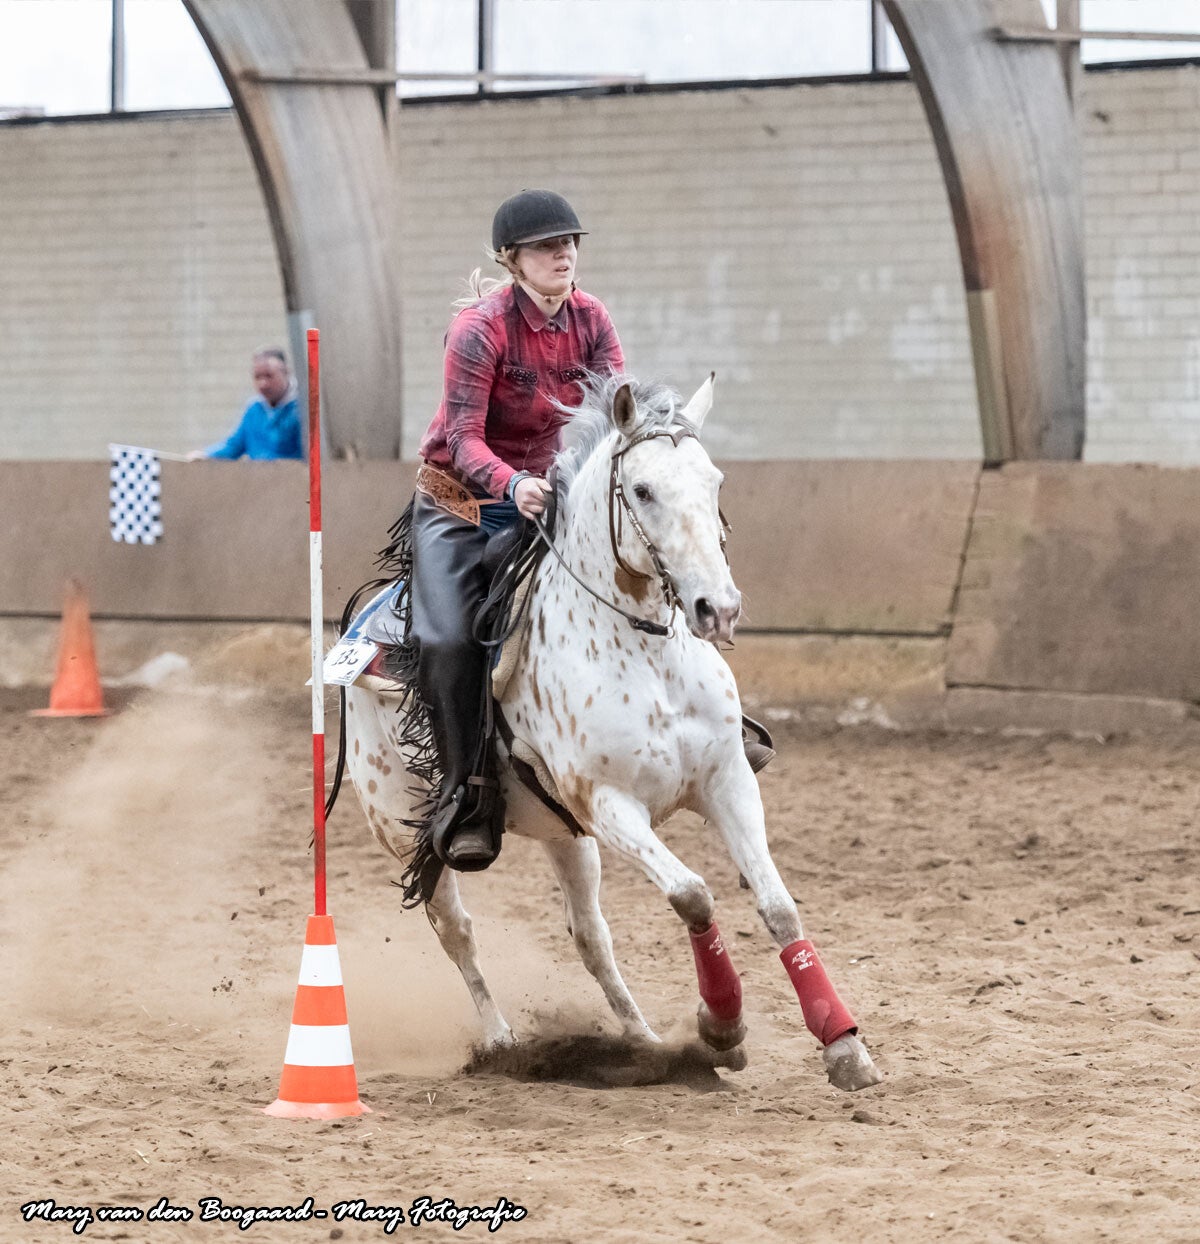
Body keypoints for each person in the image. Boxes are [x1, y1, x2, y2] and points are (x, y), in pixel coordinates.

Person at [406, 188, 772, 877]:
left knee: (652, 564)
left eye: (570, 244)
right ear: (512, 261)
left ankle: (716, 731)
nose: (564, 255)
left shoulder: (592, 317)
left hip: (551, 492)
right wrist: (513, 485)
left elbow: (617, 417)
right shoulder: (479, 331)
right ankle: (469, 793)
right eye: (547, 247)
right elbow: (460, 438)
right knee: (448, 637)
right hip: (460, 501)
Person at [191, 347, 303, 460]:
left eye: (269, 376)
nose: (263, 384)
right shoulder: (254, 410)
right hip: (260, 477)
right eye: (257, 377)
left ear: (286, 373)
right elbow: (233, 446)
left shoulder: (302, 409)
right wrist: (205, 456)